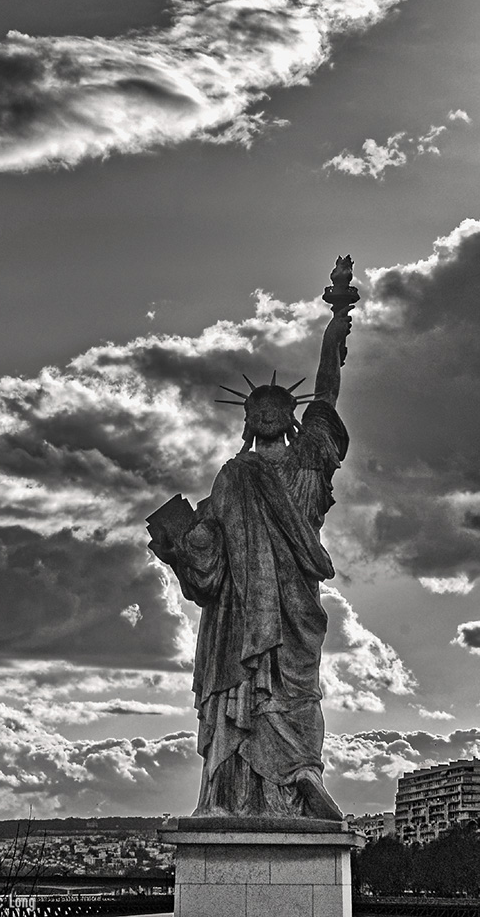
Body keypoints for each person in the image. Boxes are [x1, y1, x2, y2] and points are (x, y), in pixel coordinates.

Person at [149, 306, 353, 819]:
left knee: (296, 691)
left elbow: (327, 390)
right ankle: (237, 792)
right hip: (241, 613)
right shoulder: (234, 477)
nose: (265, 413)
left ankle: (299, 773)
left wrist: (336, 322)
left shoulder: (306, 460)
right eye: (258, 408)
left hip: (289, 608)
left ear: (290, 419)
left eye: (273, 407)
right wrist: (185, 540)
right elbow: (210, 562)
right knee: (257, 692)